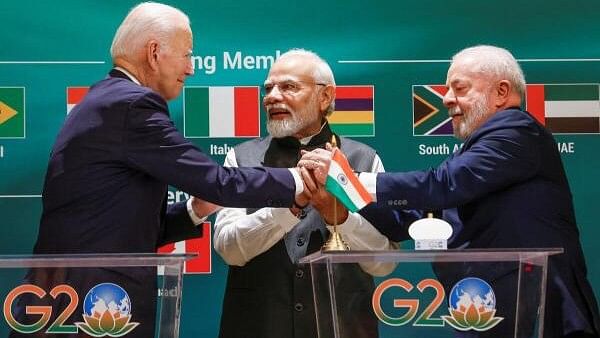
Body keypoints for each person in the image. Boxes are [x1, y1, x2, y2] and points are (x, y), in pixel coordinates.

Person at [14, 3, 309, 337]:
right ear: (154, 53)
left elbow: (116, 226)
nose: (191, 68)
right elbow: (218, 182)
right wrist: (302, 180)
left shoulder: (104, 100)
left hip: (68, 298)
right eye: (186, 55)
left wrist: (195, 210)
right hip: (93, 304)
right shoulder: (131, 104)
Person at [300, 45, 600, 338]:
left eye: (460, 88)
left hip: (537, 312)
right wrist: (342, 199)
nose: (445, 99)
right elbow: (409, 219)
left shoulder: (517, 131)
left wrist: (348, 178)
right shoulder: (473, 153)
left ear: (501, 92)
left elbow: (442, 185)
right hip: (485, 313)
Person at [214, 49, 410, 338]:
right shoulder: (240, 159)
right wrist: (290, 207)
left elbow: (384, 262)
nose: (272, 96)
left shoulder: (365, 161)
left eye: (289, 87)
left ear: (325, 97)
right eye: (268, 88)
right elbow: (229, 250)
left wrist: (341, 217)